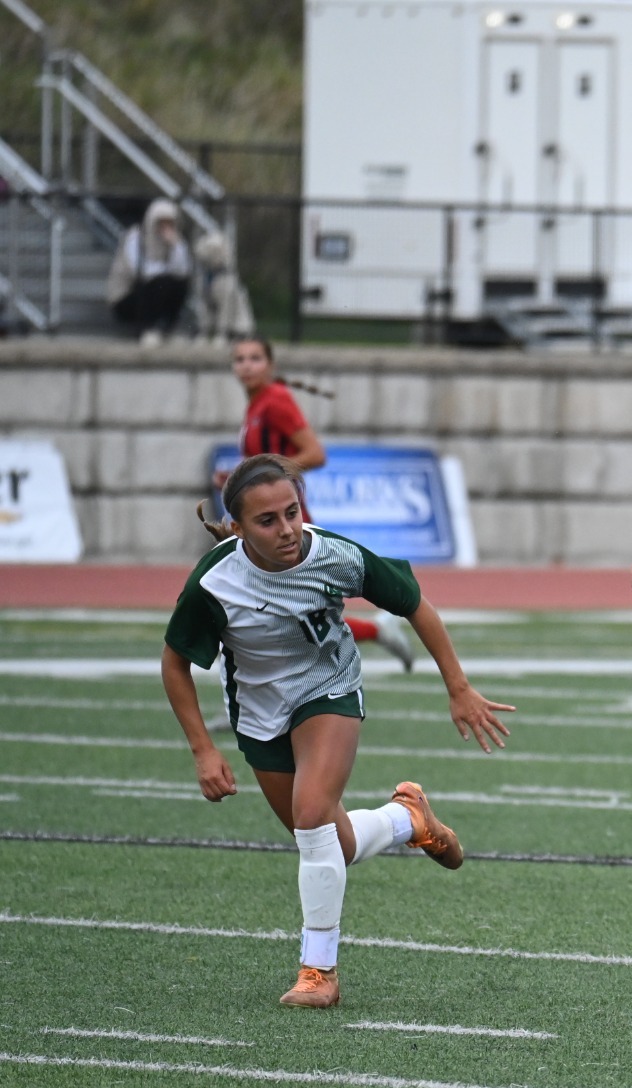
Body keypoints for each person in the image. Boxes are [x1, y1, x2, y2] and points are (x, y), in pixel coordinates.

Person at [163, 455, 515, 1008]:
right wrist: (203, 750)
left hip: (329, 689)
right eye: (267, 521)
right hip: (259, 714)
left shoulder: (333, 554)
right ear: (237, 528)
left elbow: (414, 603)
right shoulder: (214, 581)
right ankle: (408, 818)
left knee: (311, 818)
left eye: (292, 512)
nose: (287, 529)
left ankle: (318, 972)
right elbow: (175, 663)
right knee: (334, 844)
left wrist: (458, 686)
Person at [216, 336, 416, 669]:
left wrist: (267, 479)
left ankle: (374, 632)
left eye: (255, 358)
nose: (246, 366)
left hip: (282, 520)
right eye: (240, 359)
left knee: (293, 608)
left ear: (271, 365)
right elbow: (264, 461)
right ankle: (375, 631)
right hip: (265, 519)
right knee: (283, 606)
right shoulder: (256, 405)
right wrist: (237, 478)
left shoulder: (275, 400)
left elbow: (314, 453)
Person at [107, 198, 192, 344]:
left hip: (157, 291)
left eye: (169, 223)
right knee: (160, 282)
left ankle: (168, 330)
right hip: (126, 297)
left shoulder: (175, 240)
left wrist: (176, 246)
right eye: (161, 222)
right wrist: (165, 270)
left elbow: (183, 270)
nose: (165, 227)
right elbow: (139, 271)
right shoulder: (136, 237)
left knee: (179, 284)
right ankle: (146, 329)